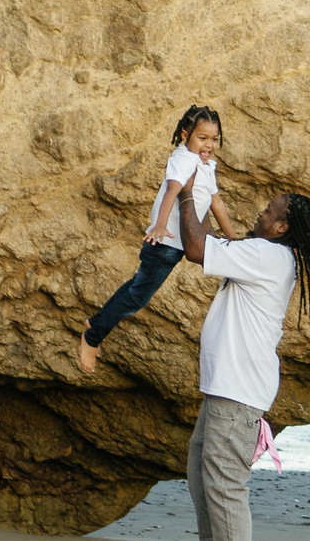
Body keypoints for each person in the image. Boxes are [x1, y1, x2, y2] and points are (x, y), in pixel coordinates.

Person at [174, 183, 310, 541]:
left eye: (268, 212)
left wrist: (187, 193)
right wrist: (212, 201)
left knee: (225, 490)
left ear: (282, 227)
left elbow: (196, 247)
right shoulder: (264, 255)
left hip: (238, 393)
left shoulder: (267, 257)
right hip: (225, 391)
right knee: (201, 479)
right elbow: (228, 242)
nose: (261, 214)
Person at [78, 106, 237, 376]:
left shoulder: (207, 165)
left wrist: (235, 241)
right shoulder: (183, 159)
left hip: (177, 244)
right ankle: (92, 336)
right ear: (186, 134)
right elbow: (172, 190)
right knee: (137, 297)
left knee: (135, 288)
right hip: (164, 243)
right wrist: (160, 225)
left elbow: (216, 203)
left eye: (214, 138)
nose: (209, 144)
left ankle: (96, 324)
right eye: (202, 138)